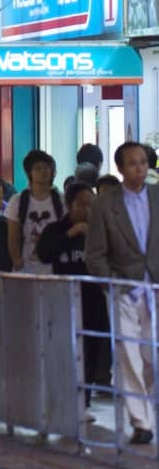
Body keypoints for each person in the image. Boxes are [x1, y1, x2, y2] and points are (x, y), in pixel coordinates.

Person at [86, 140, 159, 444]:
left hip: (155, 285)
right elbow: (94, 254)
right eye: (132, 163)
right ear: (119, 168)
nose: (139, 169)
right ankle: (141, 422)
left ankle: (150, 409)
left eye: (143, 162)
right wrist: (111, 284)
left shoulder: (158, 196)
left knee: (151, 355)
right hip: (123, 289)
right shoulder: (104, 205)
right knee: (129, 355)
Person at [38, 181, 110, 414]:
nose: (87, 210)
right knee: (65, 350)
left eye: (92, 205)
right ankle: (63, 399)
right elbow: (44, 255)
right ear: (69, 206)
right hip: (64, 300)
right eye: (82, 205)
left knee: (91, 350)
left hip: (94, 301)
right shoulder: (55, 230)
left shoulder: (102, 230)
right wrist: (71, 234)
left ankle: (84, 402)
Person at [6, 149, 63, 275]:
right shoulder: (17, 201)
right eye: (37, 168)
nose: (43, 171)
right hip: (26, 268)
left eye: (46, 167)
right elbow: (12, 236)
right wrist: (16, 259)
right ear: (29, 173)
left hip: (56, 266)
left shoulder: (62, 200)